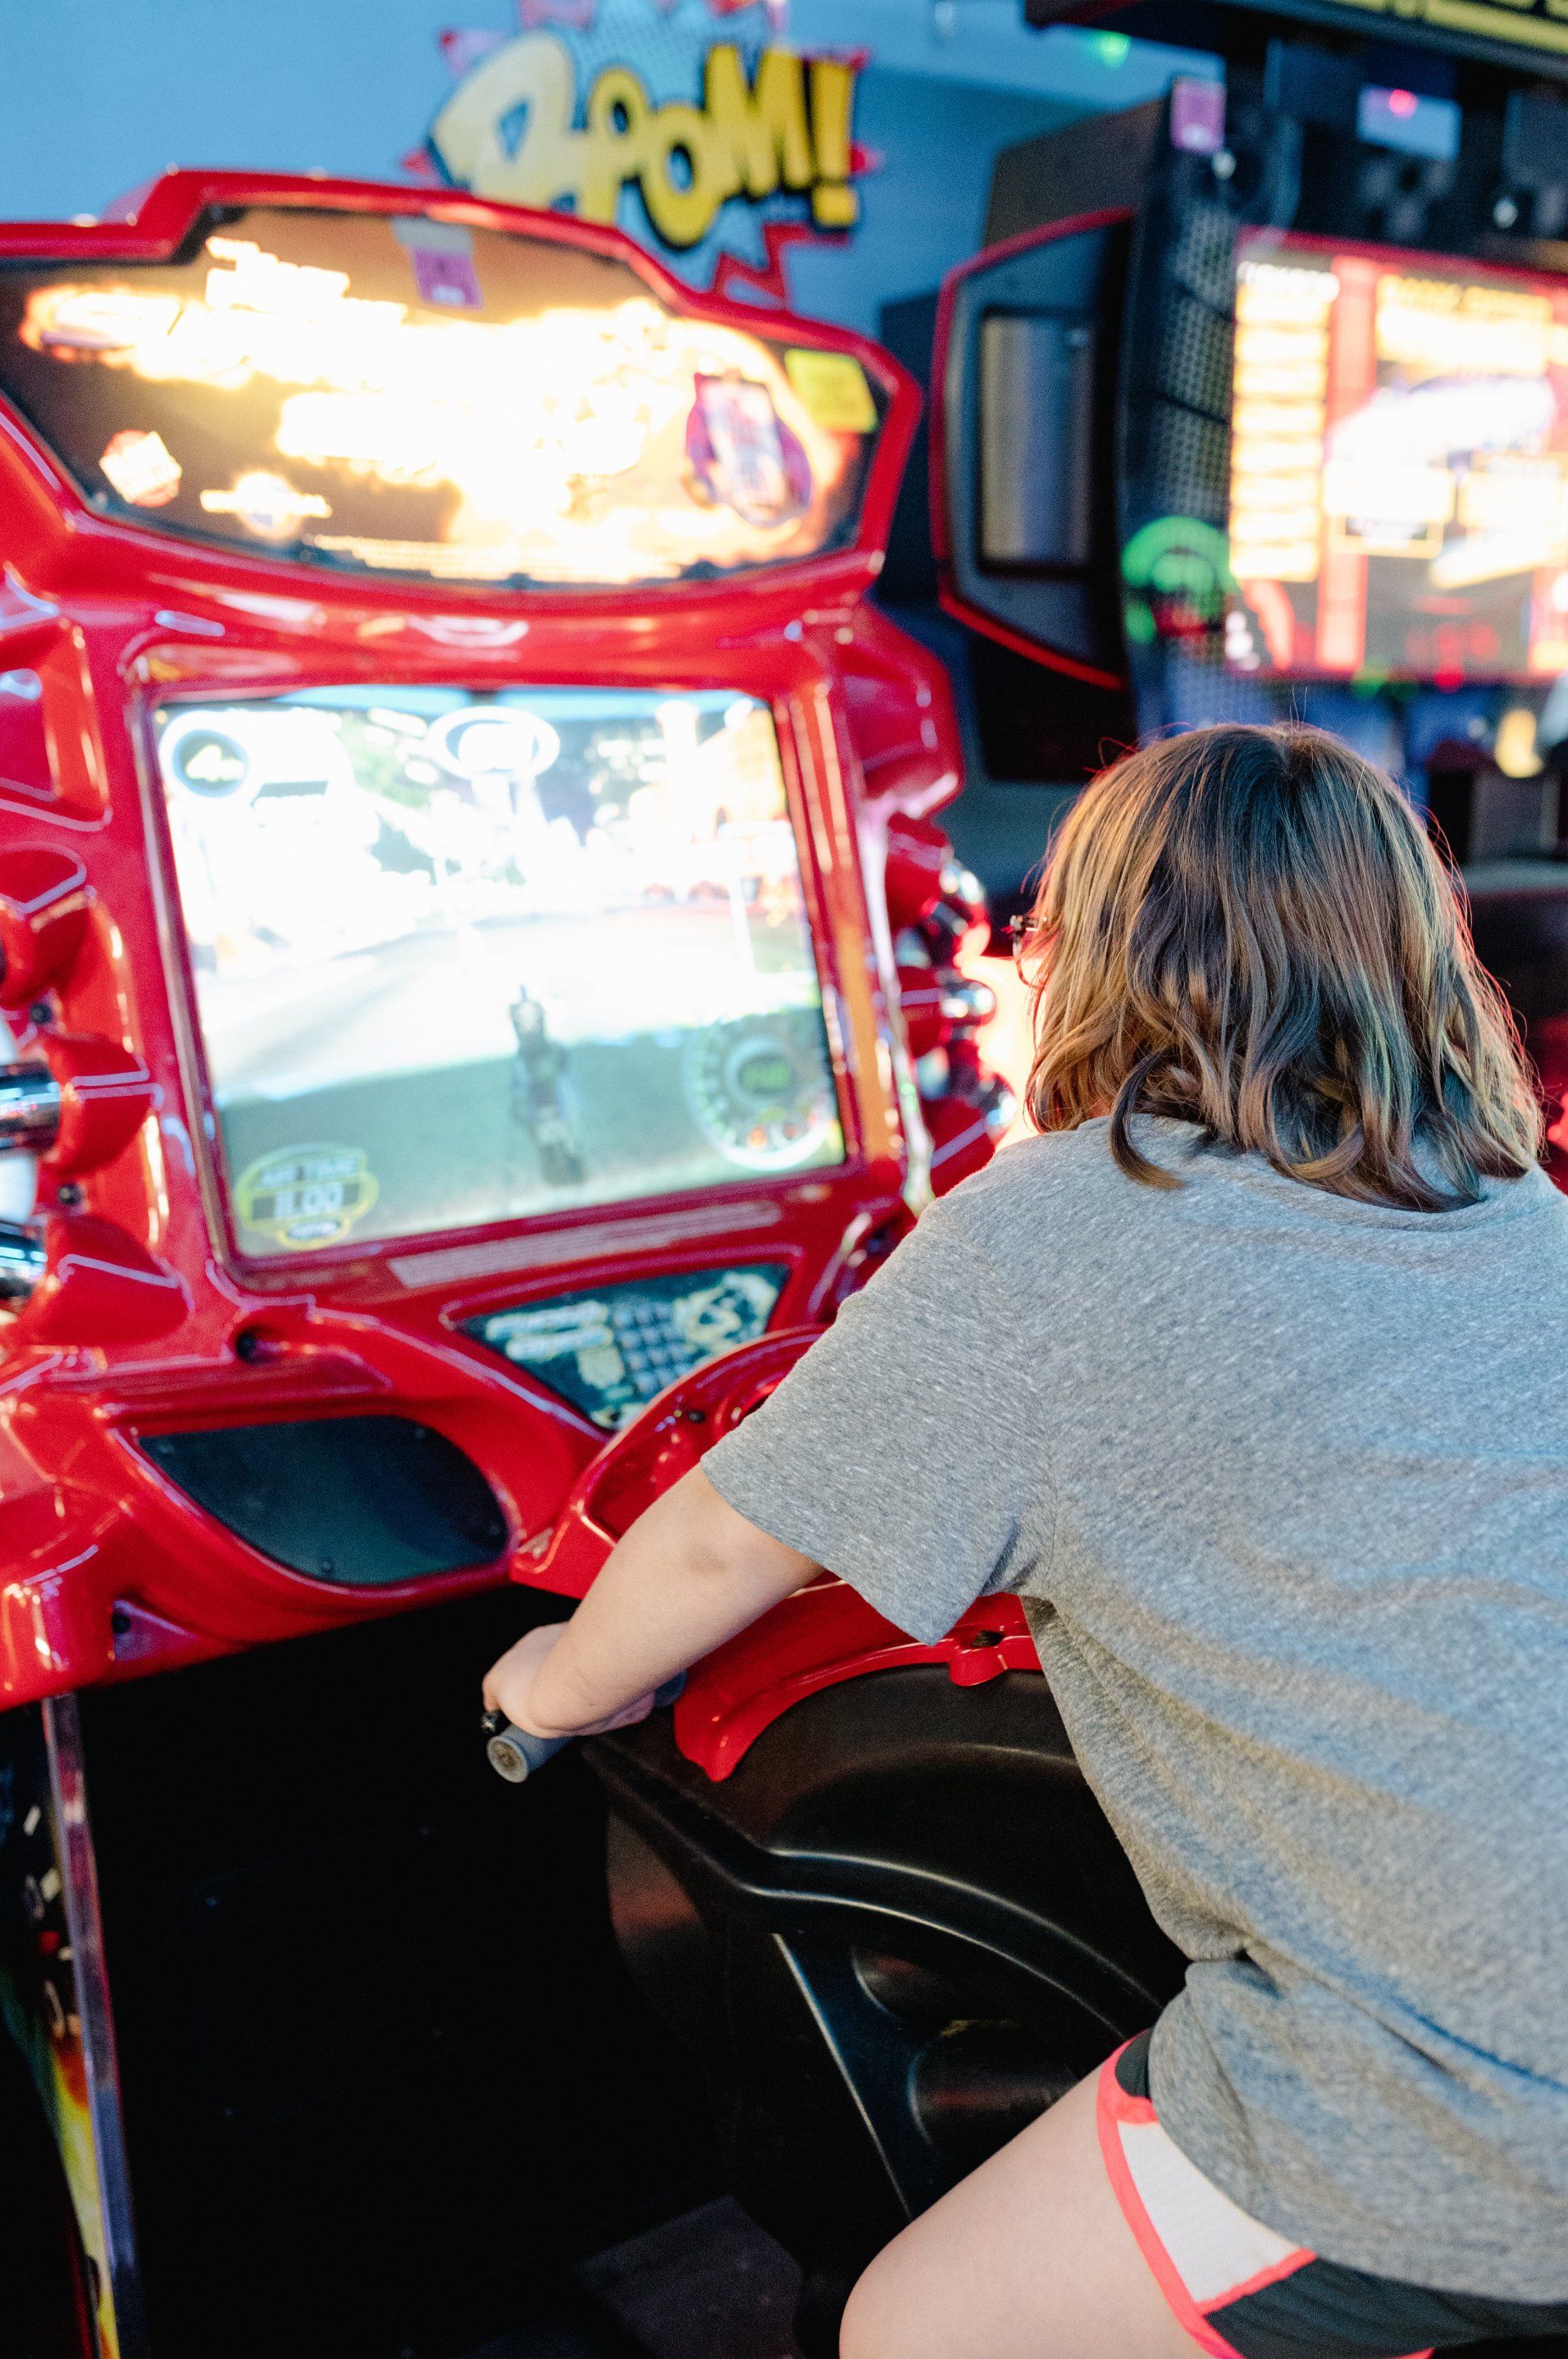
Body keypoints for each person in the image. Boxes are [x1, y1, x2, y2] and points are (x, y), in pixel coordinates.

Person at [483, 724, 1568, 2359]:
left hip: (1462, 2119)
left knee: (911, 2325)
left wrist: (554, 1686)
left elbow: (720, 1546)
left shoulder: (1054, 1229)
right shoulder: (1514, 1211)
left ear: (1094, 957)